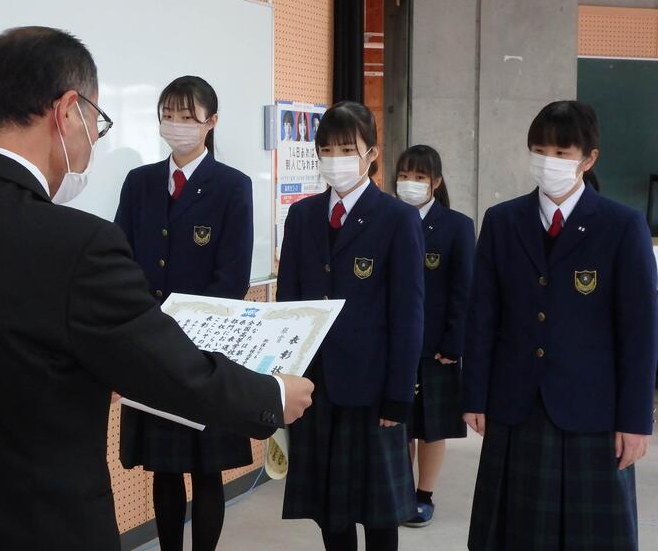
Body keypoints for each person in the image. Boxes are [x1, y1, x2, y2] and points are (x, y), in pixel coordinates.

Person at [0, 26, 314, 551]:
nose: (93, 139)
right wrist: (271, 395)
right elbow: (170, 371)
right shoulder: (77, 244)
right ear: (66, 111)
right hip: (39, 528)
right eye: (95, 121)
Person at [464, 100, 658, 551]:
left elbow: (640, 333)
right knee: (513, 535)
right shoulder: (502, 221)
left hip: (593, 411)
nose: (547, 161)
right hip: (515, 404)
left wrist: (636, 421)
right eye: (539, 150)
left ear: (589, 158)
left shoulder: (621, 226)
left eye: (561, 152)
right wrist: (474, 394)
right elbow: (482, 315)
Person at [115, 75, 254, 551]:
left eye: (187, 117)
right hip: (150, 349)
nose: (176, 125)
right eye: (168, 116)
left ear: (211, 122)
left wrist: (184, 333)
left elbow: (231, 279)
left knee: (206, 469)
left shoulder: (232, 186)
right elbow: (120, 261)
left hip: (204, 351)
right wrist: (143, 330)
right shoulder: (139, 183)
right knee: (165, 468)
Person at [277, 101, 423, 551]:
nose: (335, 159)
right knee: (329, 509)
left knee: (379, 512)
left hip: (372, 388)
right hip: (314, 386)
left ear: (371, 154)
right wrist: (284, 375)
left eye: (346, 149)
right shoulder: (302, 216)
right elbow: (288, 305)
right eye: (327, 150)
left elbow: (408, 313)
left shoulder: (397, 218)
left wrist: (399, 395)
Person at [394, 145, 473, 528]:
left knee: (431, 425)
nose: (410, 183)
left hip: (436, 346)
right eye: (404, 176)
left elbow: (464, 289)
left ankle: (423, 495)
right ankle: (398, 492)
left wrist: (454, 343)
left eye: (419, 177)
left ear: (436, 182)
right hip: (395, 343)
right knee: (398, 423)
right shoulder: (388, 218)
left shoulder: (456, 225)